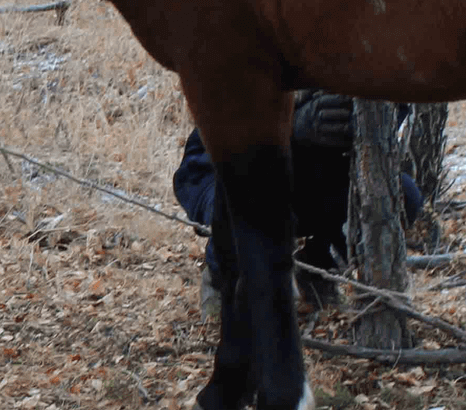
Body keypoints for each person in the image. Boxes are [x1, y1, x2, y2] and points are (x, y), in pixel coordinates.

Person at [172, 93, 424, 312]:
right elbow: (215, 141)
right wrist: (289, 125)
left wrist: (359, 125)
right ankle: (221, 276)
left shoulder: (368, 52)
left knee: (404, 197)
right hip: (229, 171)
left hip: (314, 178)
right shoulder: (261, 43)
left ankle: (318, 267)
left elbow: (392, 115)